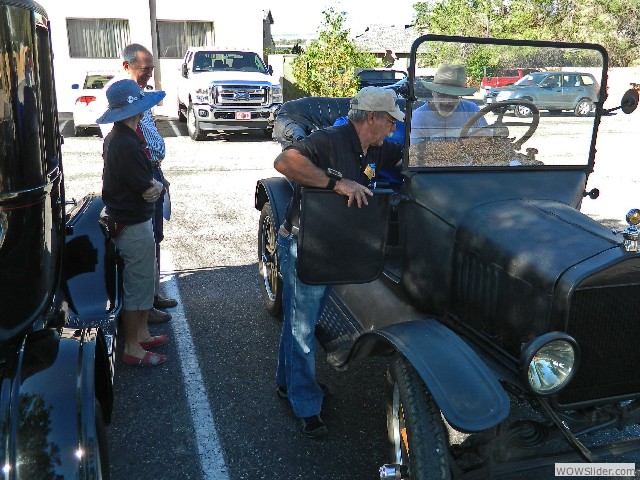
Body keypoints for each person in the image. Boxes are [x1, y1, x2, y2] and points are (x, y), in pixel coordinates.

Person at [273, 87, 404, 438]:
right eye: (390, 121)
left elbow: (407, 155)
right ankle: (306, 405)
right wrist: (336, 183)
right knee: (302, 327)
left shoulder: (374, 146)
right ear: (372, 117)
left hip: (333, 243)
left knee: (299, 320)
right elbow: (285, 162)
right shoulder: (329, 139)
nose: (393, 129)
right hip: (305, 244)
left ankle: (287, 383)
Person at [100, 43, 177, 324]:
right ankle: (141, 311)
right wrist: (148, 180)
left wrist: (158, 174)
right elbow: (124, 151)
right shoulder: (120, 103)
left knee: (153, 238)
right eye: (145, 69)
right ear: (127, 66)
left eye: (152, 68)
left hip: (149, 171)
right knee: (143, 241)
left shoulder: (140, 98)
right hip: (137, 177)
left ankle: (150, 299)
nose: (149, 73)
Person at [97, 79, 168, 366]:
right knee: (137, 287)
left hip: (128, 220)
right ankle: (133, 348)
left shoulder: (120, 137)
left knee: (140, 282)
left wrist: (154, 186)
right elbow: (147, 188)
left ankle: (141, 334)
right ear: (134, 111)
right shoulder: (126, 142)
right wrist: (158, 188)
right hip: (132, 223)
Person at [410, 63, 487, 142]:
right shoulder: (419, 117)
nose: (447, 101)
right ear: (433, 92)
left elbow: (486, 140)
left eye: (454, 95)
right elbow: (417, 151)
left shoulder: (472, 110)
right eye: (442, 94)